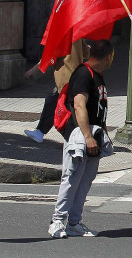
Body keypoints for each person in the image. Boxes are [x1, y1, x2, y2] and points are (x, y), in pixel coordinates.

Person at [48, 40, 115, 239]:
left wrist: (101, 135)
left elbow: (99, 108)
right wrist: (87, 137)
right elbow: (79, 105)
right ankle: (57, 221)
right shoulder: (84, 74)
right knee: (71, 178)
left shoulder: (98, 75)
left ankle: (74, 223)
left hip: (93, 136)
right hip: (79, 136)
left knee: (85, 181)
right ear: (108, 56)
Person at [24, 39, 89, 144]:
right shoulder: (78, 35)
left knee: (67, 108)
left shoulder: (62, 36)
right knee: (53, 101)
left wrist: (33, 71)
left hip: (65, 78)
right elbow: (86, 53)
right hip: (76, 75)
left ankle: (76, 137)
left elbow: (51, 57)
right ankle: (40, 132)